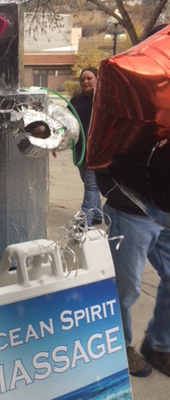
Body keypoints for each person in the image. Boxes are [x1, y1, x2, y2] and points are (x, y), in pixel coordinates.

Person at [93, 26, 170, 378]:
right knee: (124, 288)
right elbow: (101, 150)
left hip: (163, 210)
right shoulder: (126, 89)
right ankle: (119, 348)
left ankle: (158, 344)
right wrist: (112, 191)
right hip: (132, 209)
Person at [69, 67, 103, 226]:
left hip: (96, 152)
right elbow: (66, 122)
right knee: (89, 185)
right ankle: (97, 215)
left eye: (89, 78)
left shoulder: (103, 100)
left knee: (91, 186)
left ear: (97, 79)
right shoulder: (75, 101)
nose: (86, 82)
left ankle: (84, 221)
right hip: (79, 150)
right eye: (83, 79)